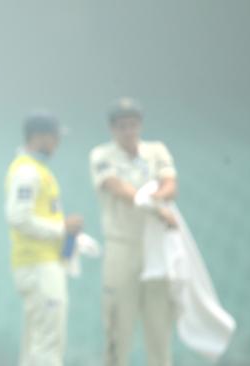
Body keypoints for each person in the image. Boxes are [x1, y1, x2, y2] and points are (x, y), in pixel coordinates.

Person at [89, 97, 178, 366]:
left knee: (159, 326)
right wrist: (155, 207)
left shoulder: (156, 150)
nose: (128, 131)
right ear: (112, 129)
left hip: (154, 247)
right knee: (118, 326)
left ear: (140, 125)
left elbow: (170, 184)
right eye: (122, 126)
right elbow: (118, 188)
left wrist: (157, 199)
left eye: (133, 124)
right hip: (122, 246)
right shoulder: (102, 155)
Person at [4, 111, 84, 366]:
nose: (57, 143)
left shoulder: (34, 169)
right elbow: (18, 217)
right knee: (48, 343)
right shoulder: (28, 171)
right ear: (39, 137)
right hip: (39, 265)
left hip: (39, 263)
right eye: (54, 137)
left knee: (35, 344)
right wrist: (62, 228)